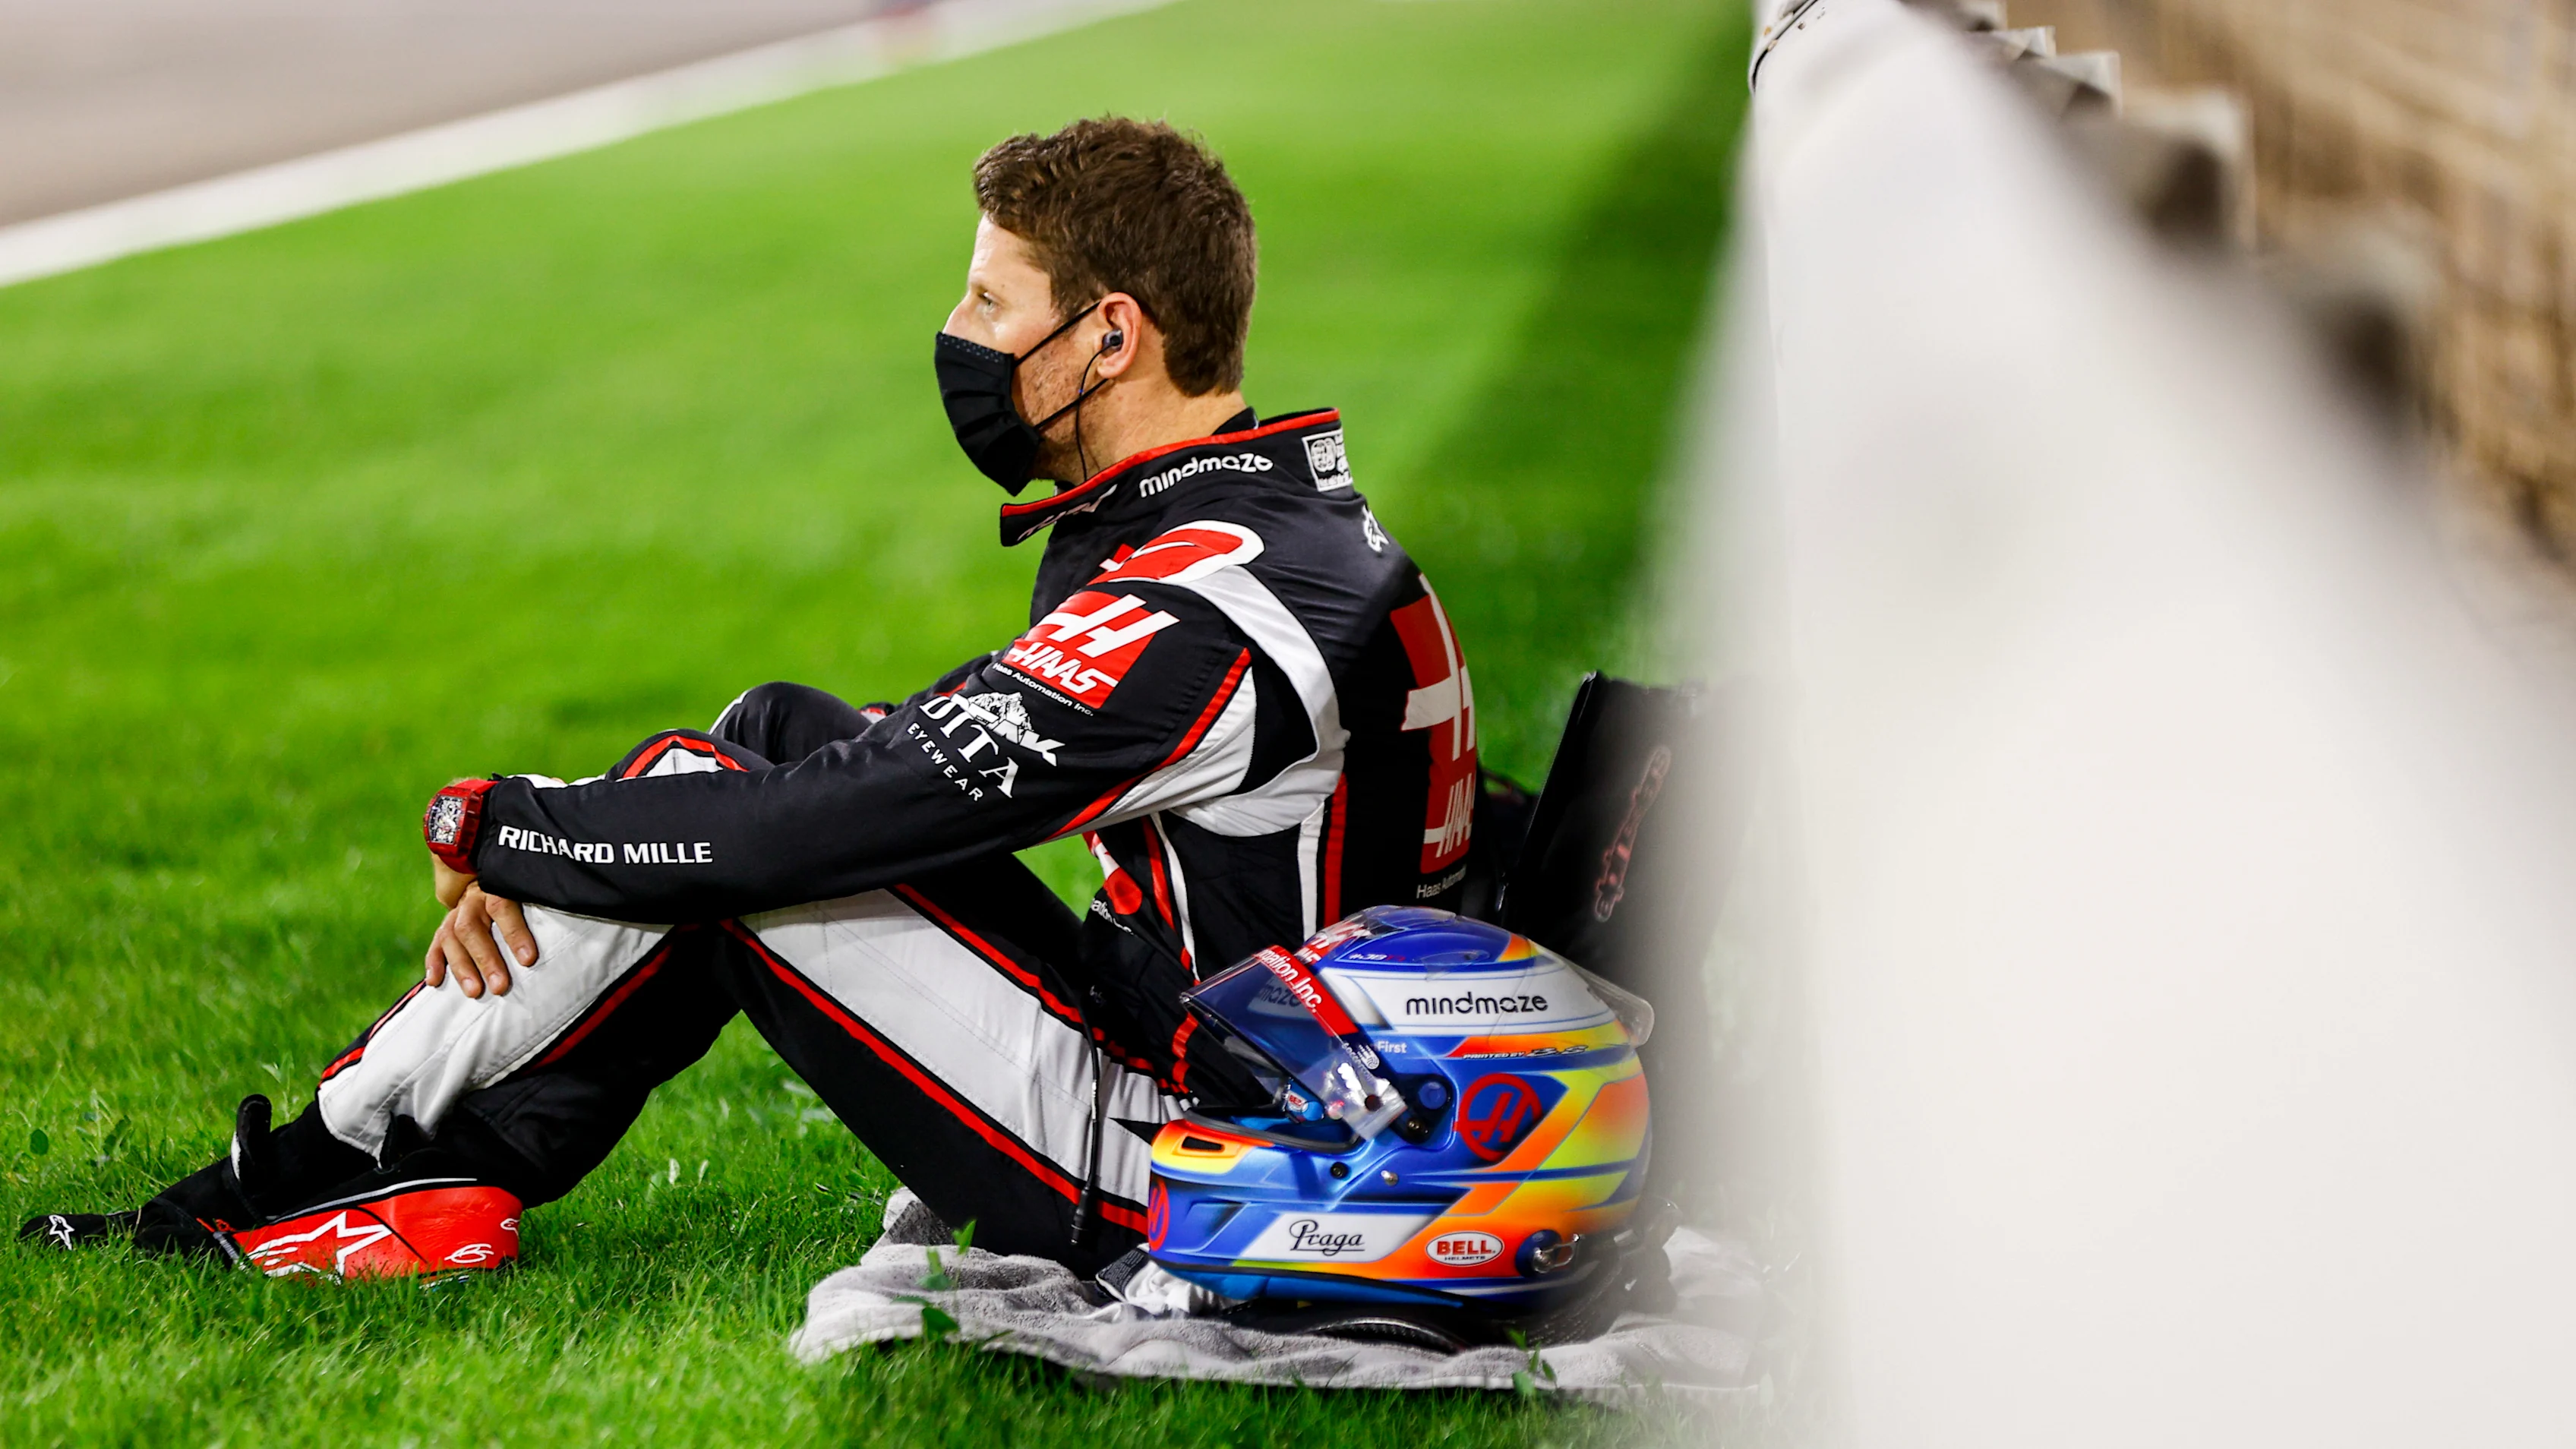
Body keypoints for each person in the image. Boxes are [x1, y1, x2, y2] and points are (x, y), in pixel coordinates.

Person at [23, 117, 1480, 1276]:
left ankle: (289, 1186)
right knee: (774, 729)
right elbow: (879, 767)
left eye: (989, 298)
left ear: (1111, 335)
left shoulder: (1189, 608)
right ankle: (416, 1176)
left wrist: (502, 824)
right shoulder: (1286, 524)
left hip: (1219, 1164)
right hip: (1286, 1082)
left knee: (719, 815)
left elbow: (821, 827)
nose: (958, 332)